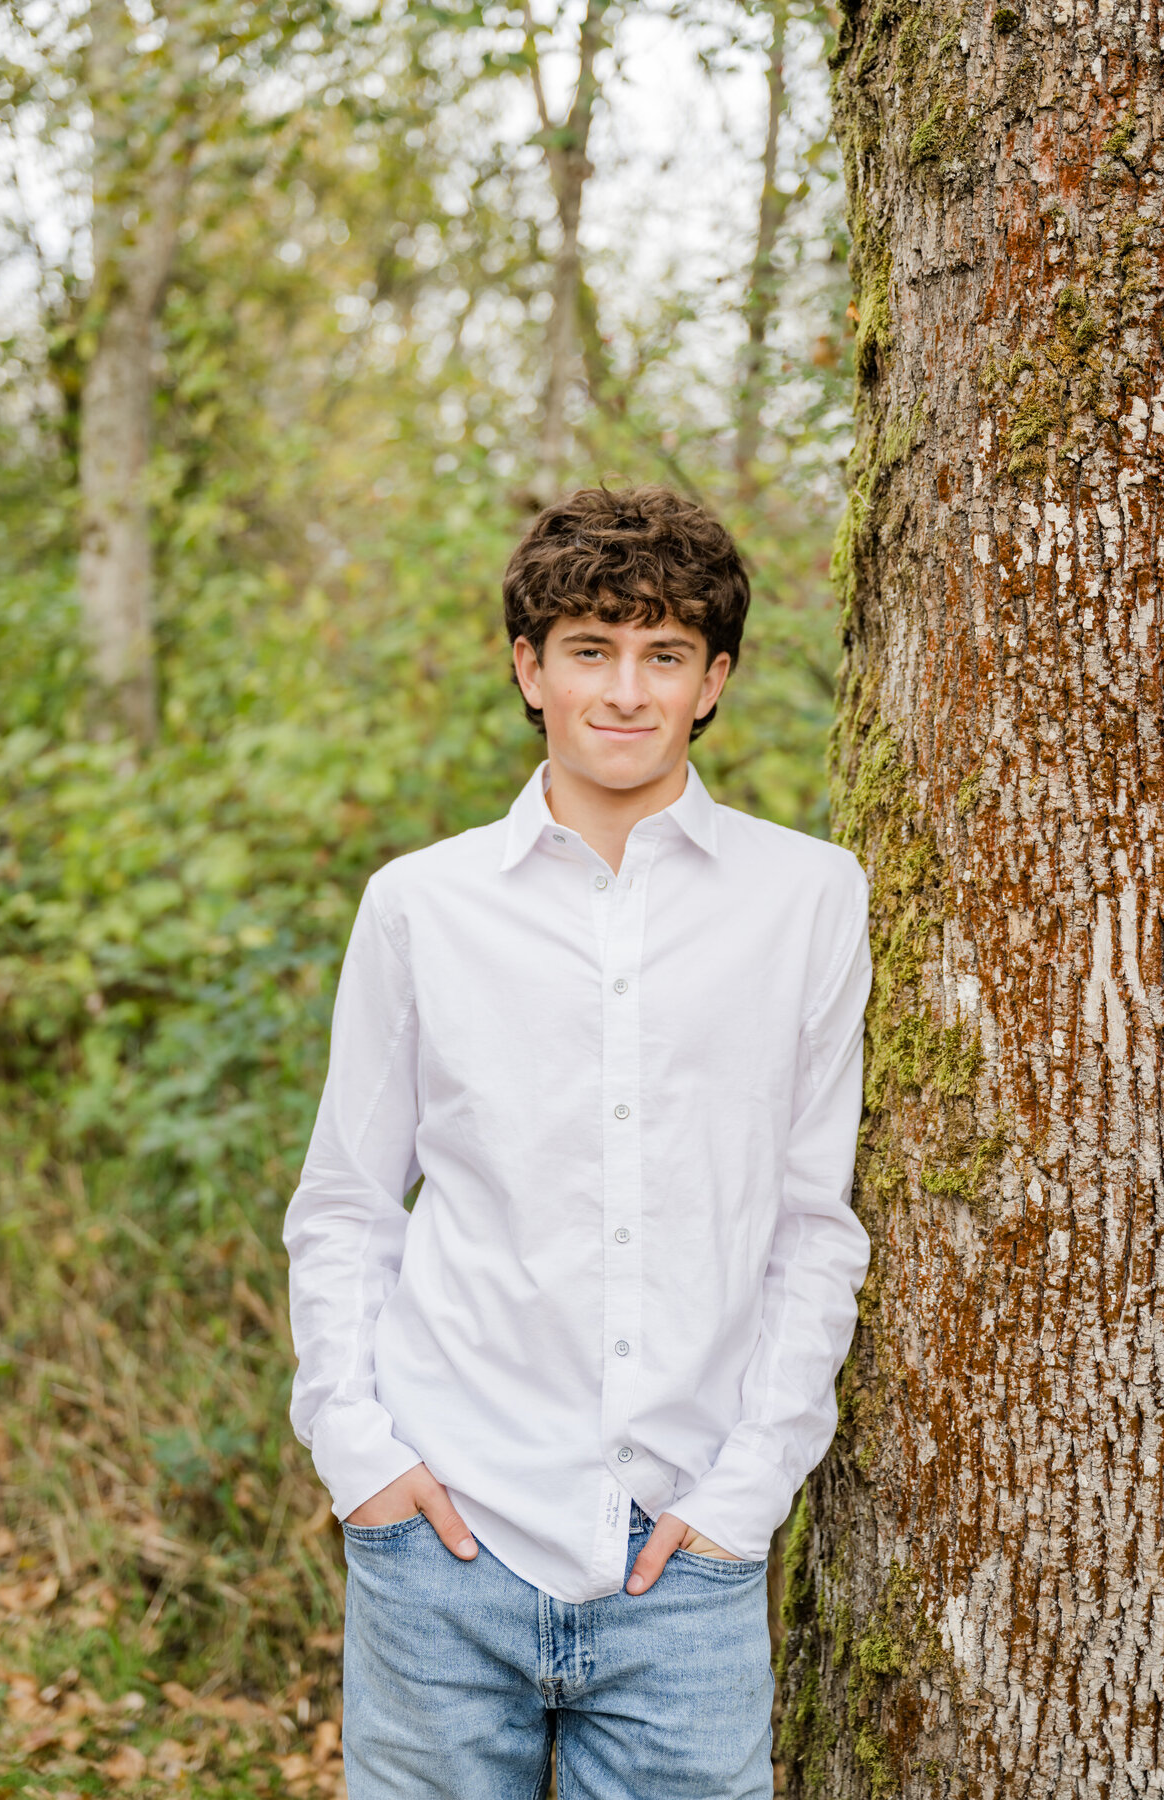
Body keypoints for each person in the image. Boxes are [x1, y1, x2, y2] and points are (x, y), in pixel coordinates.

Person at [283, 484, 872, 1799]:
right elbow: (346, 1212)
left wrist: (745, 1495)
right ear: (529, 668)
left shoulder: (810, 900)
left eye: (665, 655)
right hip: (443, 1538)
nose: (626, 690)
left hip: (686, 1560)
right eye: (590, 650)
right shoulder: (420, 908)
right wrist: (360, 1456)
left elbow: (810, 1225)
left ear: (712, 682)